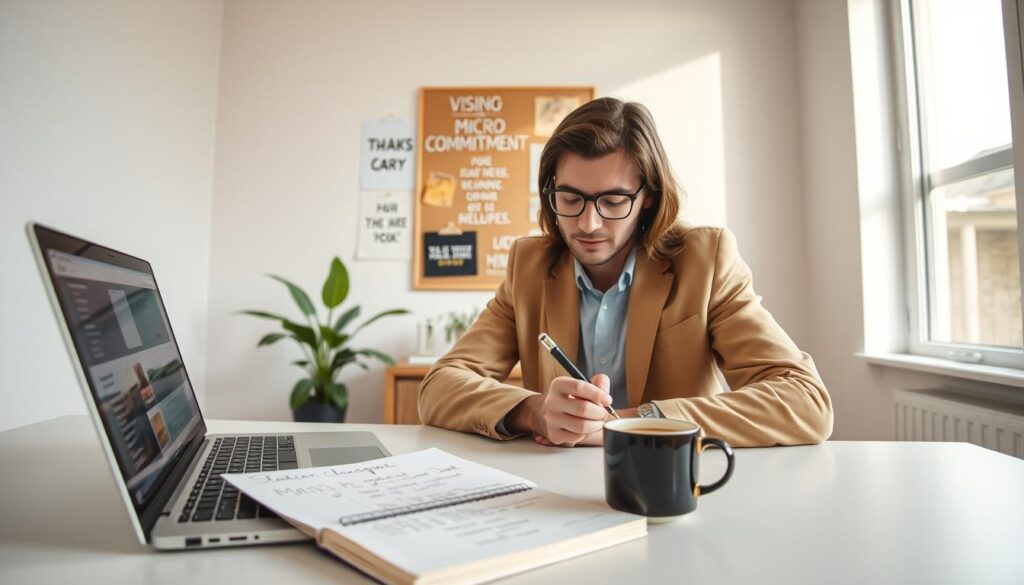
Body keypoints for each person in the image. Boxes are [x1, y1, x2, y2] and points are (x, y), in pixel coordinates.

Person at [418, 97, 833, 448]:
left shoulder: (706, 259)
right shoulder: (529, 265)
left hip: (677, 483)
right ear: (551, 193)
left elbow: (805, 401)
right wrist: (534, 412)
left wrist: (633, 421)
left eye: (613, 201)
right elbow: (439, 387)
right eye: (571, 198)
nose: (588, 224)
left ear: (648, 197)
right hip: (556, 492)